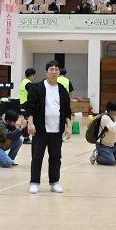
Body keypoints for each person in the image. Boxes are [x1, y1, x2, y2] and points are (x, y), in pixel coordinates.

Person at [22, 61, 72, 194]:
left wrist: (69, 127)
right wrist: (31, 123)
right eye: (51, 69)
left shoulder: (62, 90)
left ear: (59, 73)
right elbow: (30, 107)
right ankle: (34, 182)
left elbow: (67, 110)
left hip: (57, 130)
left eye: (56, 69)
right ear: (46, 72)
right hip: (40, 129)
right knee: (37, 156)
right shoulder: (37, 87)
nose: (54, 72)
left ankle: (54, 182)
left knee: (56, 157)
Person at [95, 101, 116, 166]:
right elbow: (113, 128)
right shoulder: (105, 117)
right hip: (103, 145)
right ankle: (97, 156)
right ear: (111, 111)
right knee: (111, 161)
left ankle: (109, 154)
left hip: (112, 145)